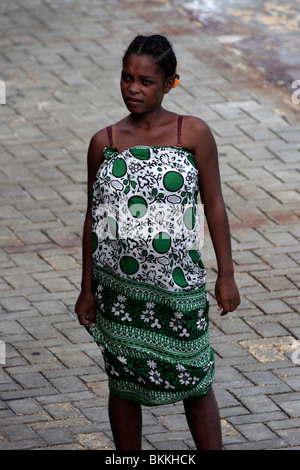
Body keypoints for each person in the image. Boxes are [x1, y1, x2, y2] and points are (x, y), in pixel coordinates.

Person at [75, 34, 240, 451]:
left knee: (196, 379)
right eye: (127, 78)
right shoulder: (105, 143)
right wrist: (87, 287)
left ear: (170, 84)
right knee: (123, 382)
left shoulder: (193, 133)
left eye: (146, 81)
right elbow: (95, 220)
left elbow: (215, 205)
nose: (133, 88)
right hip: (120, 290)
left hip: (178, 285)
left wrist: (227, 275)